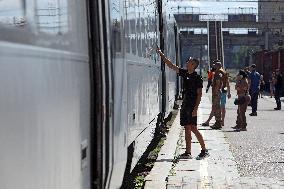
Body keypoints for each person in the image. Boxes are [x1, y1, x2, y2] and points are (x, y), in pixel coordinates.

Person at [156, 48, 209, 160]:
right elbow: (171, 66)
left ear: (193, 64)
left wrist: (195, 109)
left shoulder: (197, 77)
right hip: (185, 105)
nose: (187, 62)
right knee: (187, 128)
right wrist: (161, 54)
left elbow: (199, 94)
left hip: (192, 106)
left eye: (189, 61)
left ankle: (204, 150)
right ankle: (188, 152)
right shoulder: (185, 73)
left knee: (193, 128)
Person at [210, 61, 226, 129]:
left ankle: (218, 123)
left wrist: (215, 92)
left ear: (218, 66)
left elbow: (218, 83)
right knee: (216, 107)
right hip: (217, 92)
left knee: (217, 107)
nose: (214, 66)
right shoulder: (220, 72)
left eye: (215, 65)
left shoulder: (218, 73)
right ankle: (217, 122)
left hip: (216, 92)